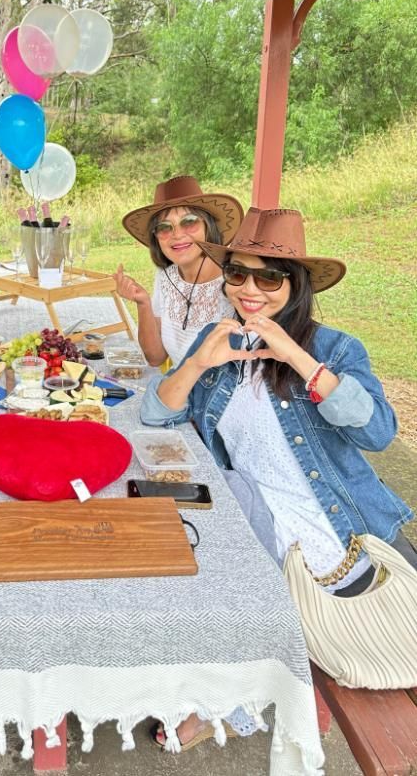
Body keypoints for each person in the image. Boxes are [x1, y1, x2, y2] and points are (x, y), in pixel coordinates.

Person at [141, 207, 415, 748]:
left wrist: (297, 357)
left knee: (223, 588)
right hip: (255, 515)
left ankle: (227, 704)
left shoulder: (334, 348)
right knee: (177, 565)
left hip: (336, 528)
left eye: (269, 277)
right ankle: (224, 698)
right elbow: (157, 411)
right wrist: (198, 364)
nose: (249, 290)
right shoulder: (218, 340)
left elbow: (379, 432)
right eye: (237, 274)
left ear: (298, 286)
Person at [114, 175, 244, 367]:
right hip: (177, 392)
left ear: (208, 225)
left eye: (189, 221)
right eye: (164, 227)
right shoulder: (166, 276)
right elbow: (156, 358)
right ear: (156, 237)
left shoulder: (237, 281)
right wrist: (143, 303)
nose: (177, 235)